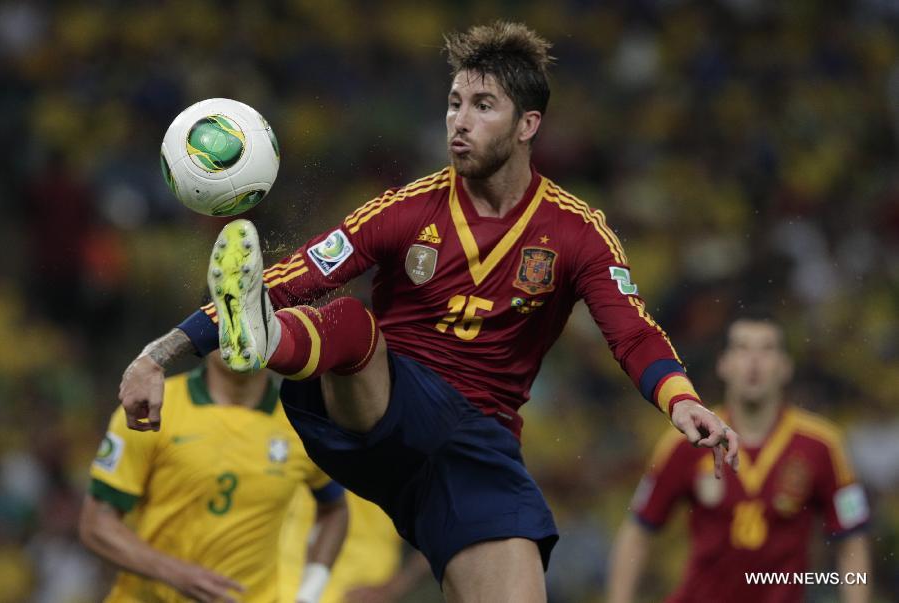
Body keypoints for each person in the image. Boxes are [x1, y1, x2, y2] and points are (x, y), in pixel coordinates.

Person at [118, 21, 739, 602]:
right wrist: (158, 355)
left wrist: (682, 401)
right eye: (453, 104)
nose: (458, 123)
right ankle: (264, 335)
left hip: (475, 449)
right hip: (382, 405)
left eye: (481, 106)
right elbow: (290, 276)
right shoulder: (405, 210)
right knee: (352, 325)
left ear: (528, 125)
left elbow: (632, 333)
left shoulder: (577, 233)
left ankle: (265, 331)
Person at [607, 312, 871, 603]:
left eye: (767, 349)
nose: (754, 362)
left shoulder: (822, 445)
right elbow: (637, 533)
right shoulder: (687, 440)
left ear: (785, 367)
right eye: (742, 349)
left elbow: (852, 540)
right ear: (724, 364)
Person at [80, 351, 349, 603]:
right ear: (206, 330)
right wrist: (174, 573)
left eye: (254, 321)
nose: (240, 335)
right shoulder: (153, 408)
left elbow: (335, 509)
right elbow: (97, 525)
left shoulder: (301, 426)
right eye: (228, 320)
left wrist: (309, 593)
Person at [280, 489, 431, 603]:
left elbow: (445, 528)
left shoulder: (414, 452)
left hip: (360, 592)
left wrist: (396, 586)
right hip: (287, 585)